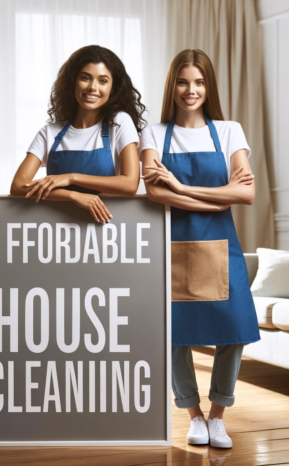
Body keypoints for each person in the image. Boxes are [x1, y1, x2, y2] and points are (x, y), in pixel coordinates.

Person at [140, 49, 260, 449]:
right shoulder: (154, 133)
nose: (191, 90)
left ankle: (218, 416)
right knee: (175, 336)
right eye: (182, 81)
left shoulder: (229, 131)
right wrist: (214, 196)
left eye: (199, 82)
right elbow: (155, 192)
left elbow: (246, 194)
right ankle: (193, 415)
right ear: (172, 85)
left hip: (222, 248)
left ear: (208, 86)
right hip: (171, 249)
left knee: (235, 332)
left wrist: (180, 186)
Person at [10, 45, 145, 219]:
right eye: (85, 78)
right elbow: (18, 186)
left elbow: (130, 184)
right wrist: (72, 196)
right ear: (72, 81)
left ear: (113, 87)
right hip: (57, 230)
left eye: (102, 81)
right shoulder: (50, 133)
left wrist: (71, 178)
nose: (93, 87)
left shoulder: (119, 123)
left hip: (107, 230)